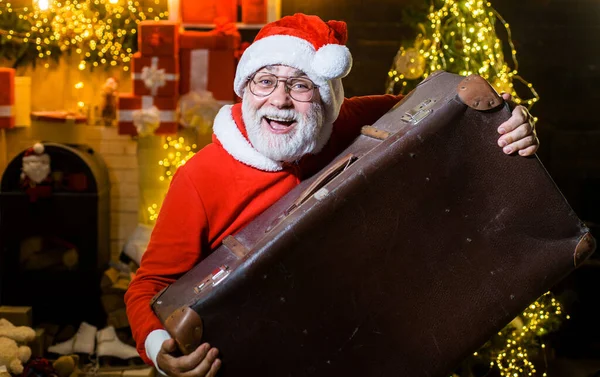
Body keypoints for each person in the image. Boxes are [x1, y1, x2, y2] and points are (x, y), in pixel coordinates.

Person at [124, 13, 539, 377]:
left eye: (301, 85)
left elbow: (444, 107)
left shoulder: (345, 122)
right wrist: (162, 353)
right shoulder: (199, 178)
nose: (280, 100)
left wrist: (505, 118)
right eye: (265, 81)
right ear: (245, 89)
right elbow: (149, 286)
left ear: (325, 99)